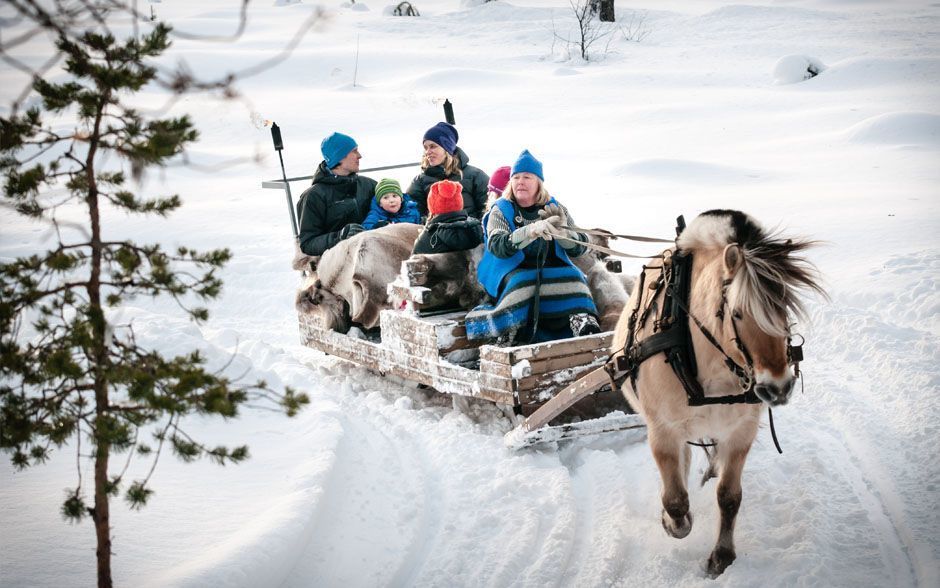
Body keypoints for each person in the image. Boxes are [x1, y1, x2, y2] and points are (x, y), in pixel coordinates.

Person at [466, 150, 600, 344]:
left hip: (548, 266)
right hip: (508, 269)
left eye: (527, 177)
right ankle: (509, 329)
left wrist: (563, 234)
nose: (520, 182)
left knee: (574, 276)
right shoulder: (501, 209)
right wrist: (529, 232)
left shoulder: (554, 206)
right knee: (522, 282)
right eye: (516, 177)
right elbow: (498, 246)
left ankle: (583, 323)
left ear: (539, 182)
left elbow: (580, 245)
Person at [296, 132, 377, 256]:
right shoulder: (314, 196)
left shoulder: (369, 185)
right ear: (339, 157)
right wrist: (340, 236)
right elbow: (308, 244)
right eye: (354, 151)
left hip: (375, 255)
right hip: (337, 264)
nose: (359, 156)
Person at [406, 122, 489, 219]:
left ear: (447, 148)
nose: (428, 152)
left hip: (470, 231)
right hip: (436, 232)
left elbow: (488, 210)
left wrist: (474, 229)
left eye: (433, 146)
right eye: (426, 148)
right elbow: (412, 213)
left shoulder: (475, 176)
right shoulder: (420, 181)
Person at [412, 180, 484, 254]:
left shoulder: (427, 239)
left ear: (432, 206)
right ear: (459, 202)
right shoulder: (478, 228)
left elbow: (414, 263)